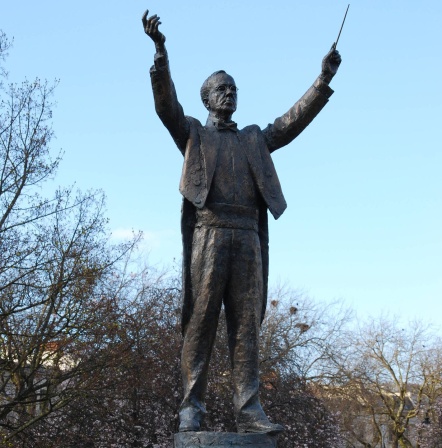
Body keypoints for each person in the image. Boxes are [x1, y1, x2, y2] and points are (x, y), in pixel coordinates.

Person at [142, 10, 341, 434]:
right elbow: (166, 107)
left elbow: (290, 123)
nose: (229, 94)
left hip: (248, 237)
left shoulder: (253, 138)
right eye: (221, 89)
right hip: (209, 235)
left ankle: (249, 409)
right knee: (201, 322)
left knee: (246, 325)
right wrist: (161, 55)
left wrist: (321, 82)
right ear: (207, 99)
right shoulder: (195, 134)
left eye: (233, 88)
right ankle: (191, 407)